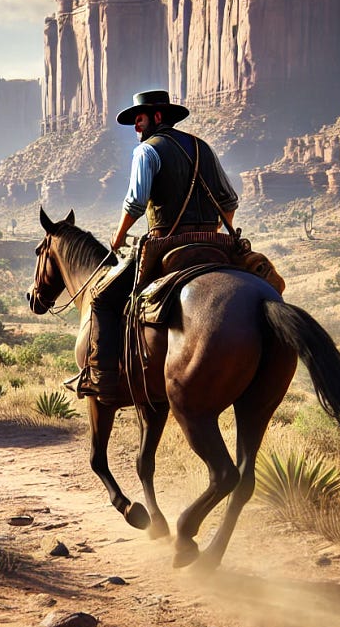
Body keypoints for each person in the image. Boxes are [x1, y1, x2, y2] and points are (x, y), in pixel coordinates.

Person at [76, 89, 239, 405]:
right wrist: (213, 230)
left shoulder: (146, 152)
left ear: (157, 117)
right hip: (214, 243)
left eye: (139, 120)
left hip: (166, 243)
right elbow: (229, 201)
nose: (136, 128)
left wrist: (118, 236)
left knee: (102, 298)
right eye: (135, 122)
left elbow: (135, 203)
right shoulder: (203, 147)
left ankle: (103, 381)